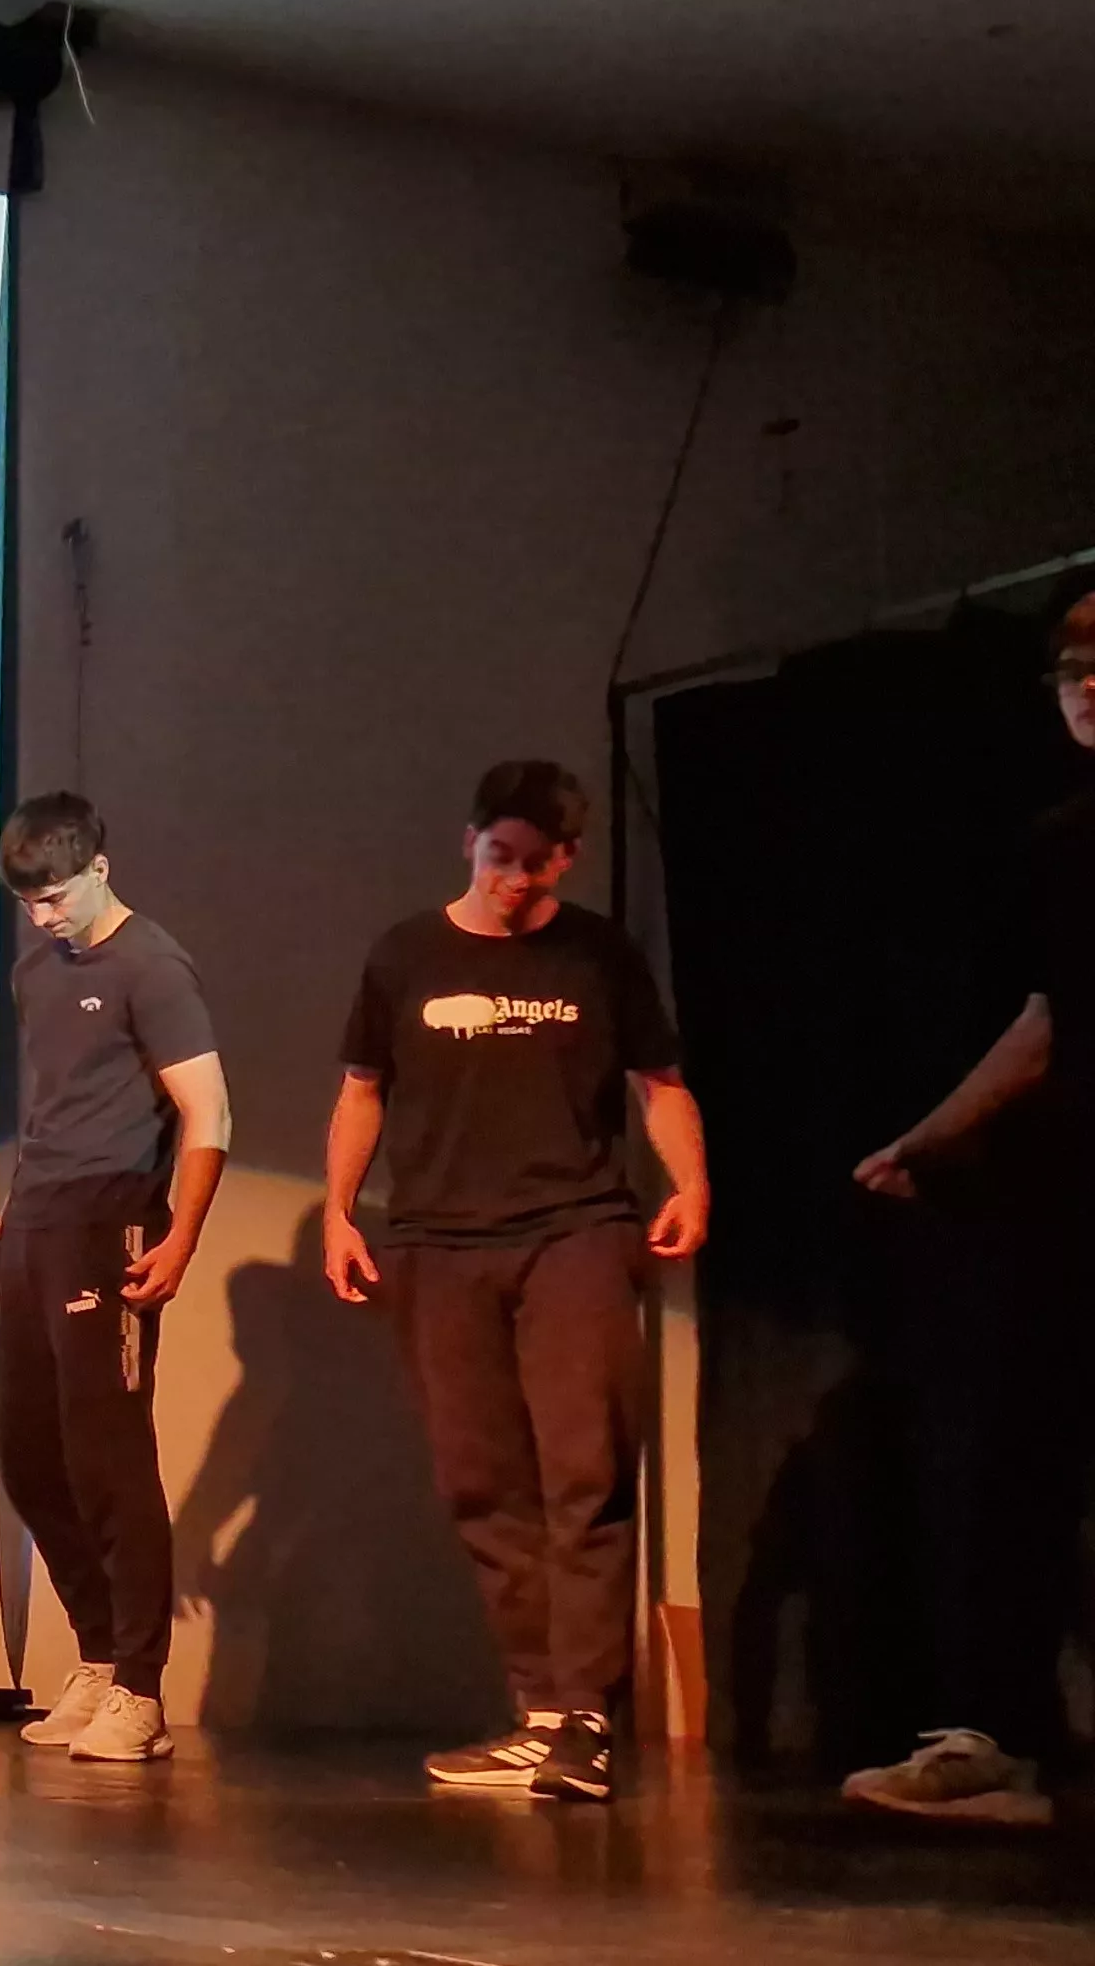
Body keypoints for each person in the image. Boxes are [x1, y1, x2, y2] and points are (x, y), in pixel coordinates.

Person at [321, 760, 706, 1804]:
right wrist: (338, 1210)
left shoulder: (597, 954)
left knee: (583, 1469)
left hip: (574, 1229)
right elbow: (363, 1090)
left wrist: (692, 1180)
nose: (515, 880)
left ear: (567, 857)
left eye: (537, 864)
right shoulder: (405, 953)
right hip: (438, 1244)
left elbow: (659, 1083)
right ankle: (538, 1711)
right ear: (468, 842)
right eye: (499, 857)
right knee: (479, 1479)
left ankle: (584, 1718)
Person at [837, 591, 1095, 1827]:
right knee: (1020, 1456)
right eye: (1068, 664)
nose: (1085, 681)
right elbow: (1047, 1023)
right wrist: (924, 1141)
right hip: (1061, 1194)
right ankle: (999, 1735)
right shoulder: (1062, 838)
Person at [0, 793, 228, 1765]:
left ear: (100, 867)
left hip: (114, 1217)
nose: (44, 916)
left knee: (108, 1452)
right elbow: (51, 1110)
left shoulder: (151, 966)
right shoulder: (40, 971)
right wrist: (5, 1222)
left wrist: (179, 1238)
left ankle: (142, 1690)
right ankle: (99, 1655)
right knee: (31, 1455)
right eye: (28, 901)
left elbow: (207, 1115)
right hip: (38, 1220)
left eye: (57, 896)